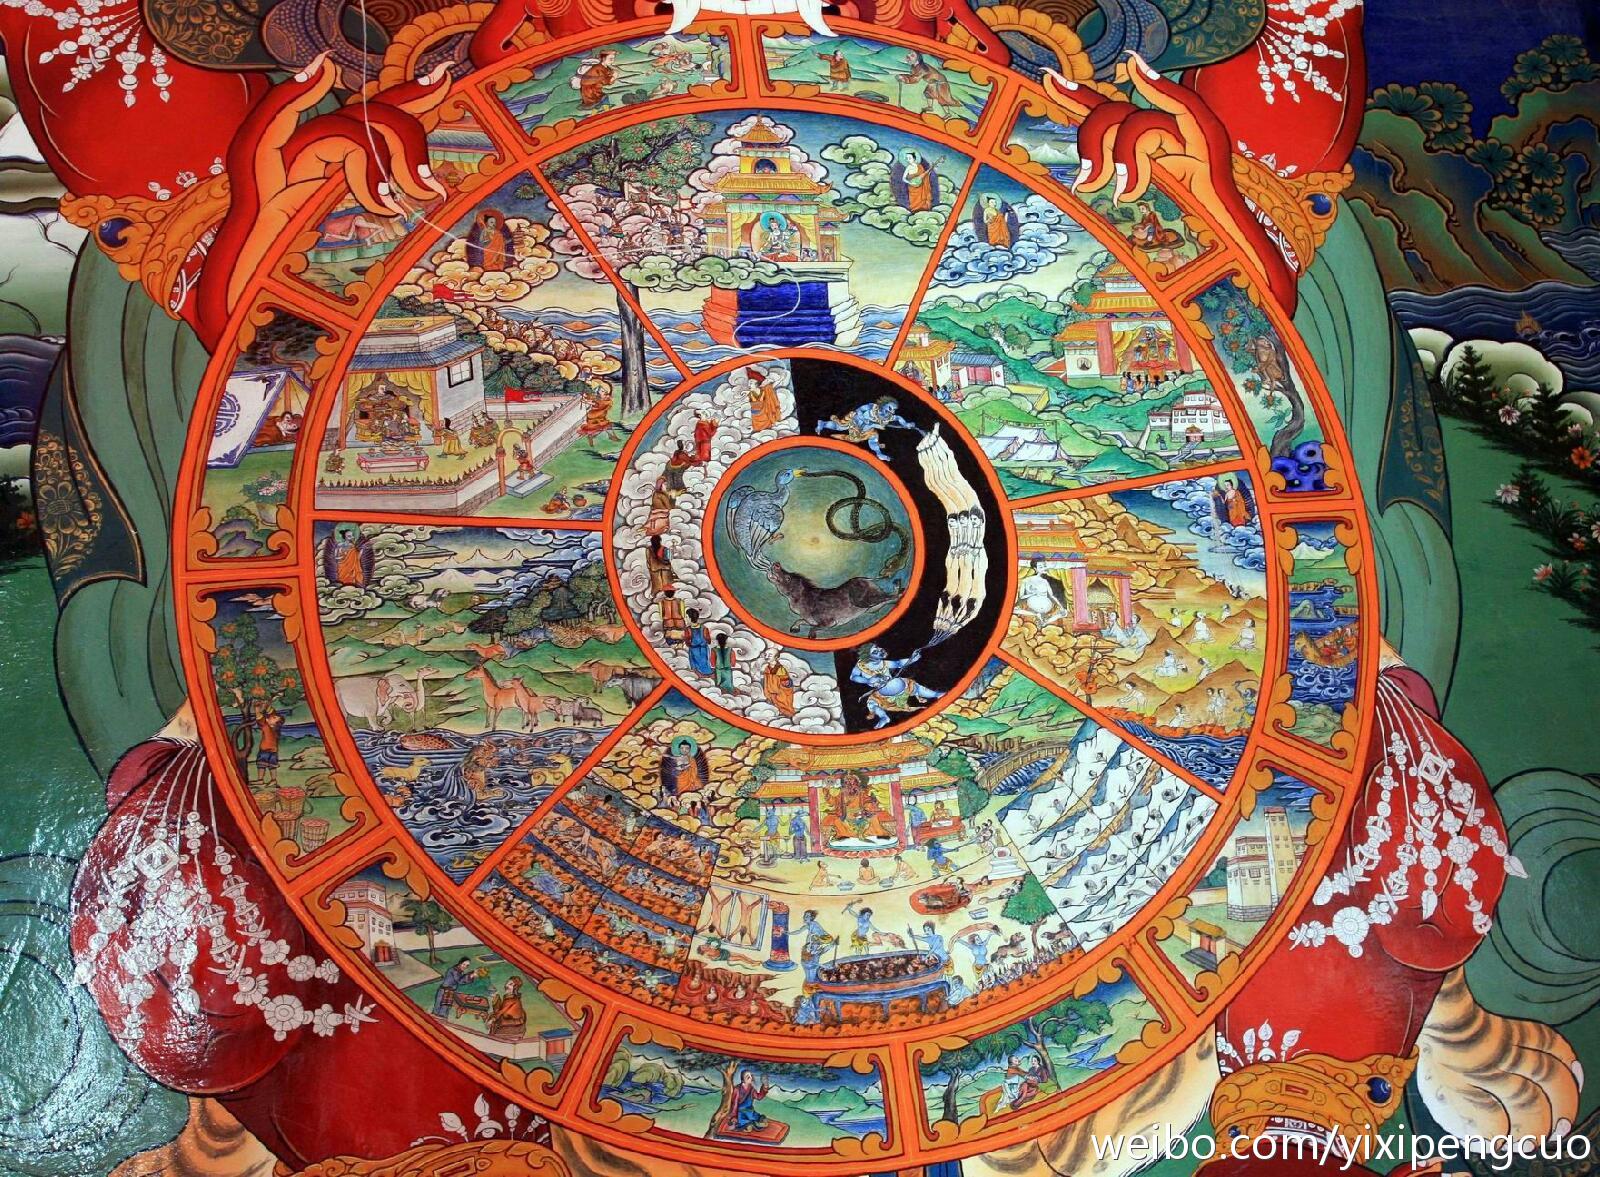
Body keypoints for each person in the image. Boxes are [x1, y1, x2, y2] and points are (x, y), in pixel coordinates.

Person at [255, 705, 284, 787]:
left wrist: (257, 709)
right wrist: (263, 706)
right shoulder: (267, 726)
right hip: (267, 750)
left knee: (272, 766)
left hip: (269, 751)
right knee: (261, 765)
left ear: (276, 723)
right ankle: (260, 780)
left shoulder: (269, 727)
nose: (271, 717)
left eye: (274, 718)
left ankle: (273, 780)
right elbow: (269, 713)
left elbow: (260, 717)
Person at [685, 608, 713, 677]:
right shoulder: (704, 628)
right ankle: (706, 674)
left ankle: (701, 675)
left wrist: (690, 644)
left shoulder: (688, 629)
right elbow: (708, 640)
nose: (686, 618)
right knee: (704, 663)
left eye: (686, 617)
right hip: (703, 649)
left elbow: (687, 641)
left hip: (694, 649)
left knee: (696, 666)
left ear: (690, 618)